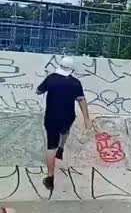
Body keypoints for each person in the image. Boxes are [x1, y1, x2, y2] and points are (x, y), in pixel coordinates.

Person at [36, 56, 92, 190]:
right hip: (68, 116)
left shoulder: (51, 78)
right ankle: (61, 147)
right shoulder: (75, 83)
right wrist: (86, 119)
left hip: (51, 117)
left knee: (51, 147)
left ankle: (50, 179)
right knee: (65, 131)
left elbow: (38, 91)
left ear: (60, 66)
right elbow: (81, 100)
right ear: (72, 70)